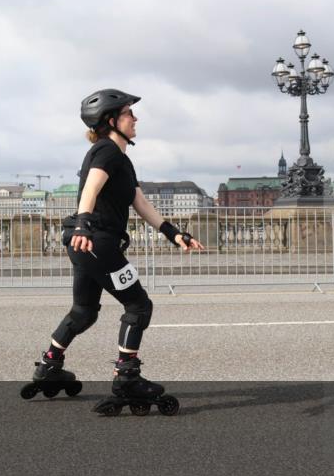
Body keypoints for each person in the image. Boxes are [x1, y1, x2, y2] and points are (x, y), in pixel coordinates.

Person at [32, 89, 205, 403]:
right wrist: (84, 223)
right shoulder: (106, 151)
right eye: (128, 113)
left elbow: (141, 203)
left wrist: (173, 233)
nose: (135, 118)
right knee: (139, 306)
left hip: (87, 243)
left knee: (84, 312)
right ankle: (127, 377)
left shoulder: (121, 159)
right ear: (111, 120)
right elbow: (91, 187)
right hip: (95, 241)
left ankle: (49, 365)